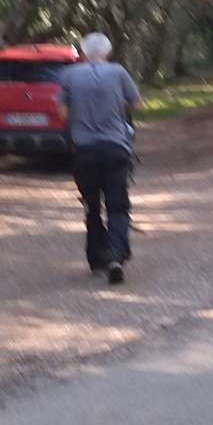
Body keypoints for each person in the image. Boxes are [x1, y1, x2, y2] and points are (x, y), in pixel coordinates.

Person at [62, 30, 141, 284]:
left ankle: (97, 258)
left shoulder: (69, 75)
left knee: (91, 205)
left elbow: (61, 111)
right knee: (117, 205)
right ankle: (116, 256)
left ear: (83, 52)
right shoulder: (118, 72)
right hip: (116, 148)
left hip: (84, 151)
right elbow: (136, 103)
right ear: (108, 51)